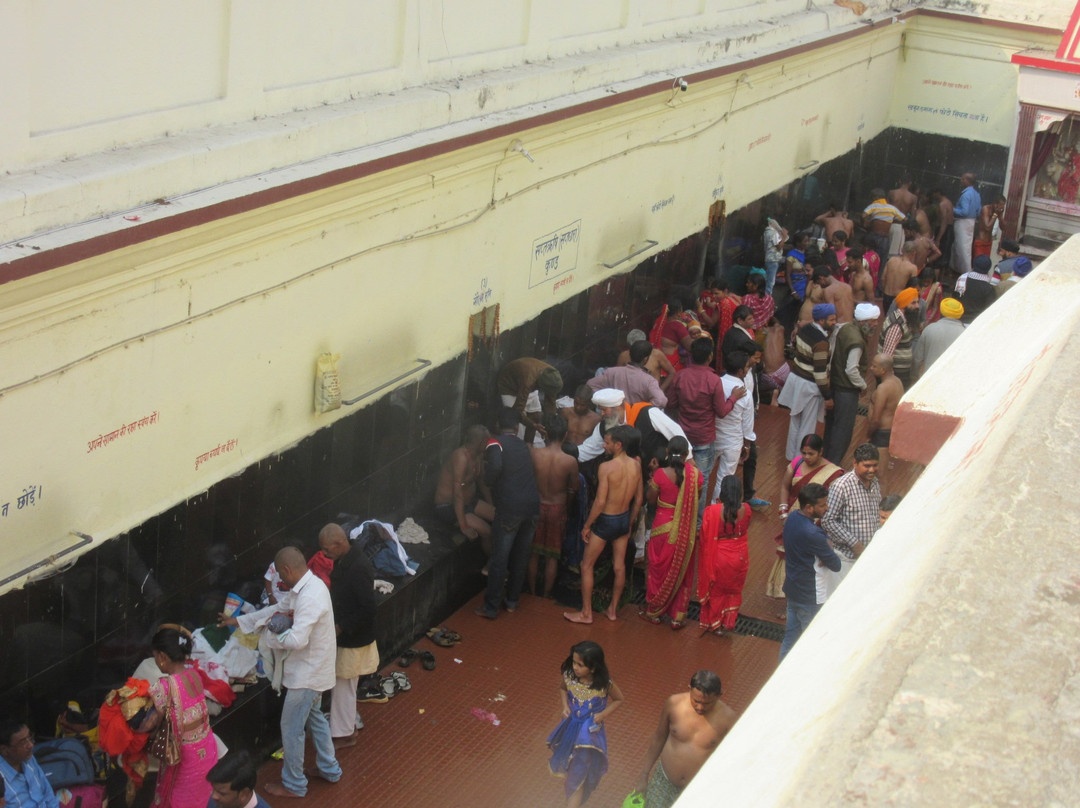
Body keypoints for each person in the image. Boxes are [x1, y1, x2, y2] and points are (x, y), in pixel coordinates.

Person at [222, 547, 341, 798]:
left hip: (308, 676)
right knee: (315, 718)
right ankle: (330, 769)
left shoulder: (310, 596)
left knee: (291, 727)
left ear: (286, 570)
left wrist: (268, 637)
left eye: (280, 577)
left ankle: (295, 784)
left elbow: (296, 639)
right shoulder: (306, 589)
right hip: (313, 671)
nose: (279, 582)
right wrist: (240, 622)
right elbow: (275, 610)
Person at [564, 424, 643, 624]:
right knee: (619, 567)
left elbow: (600, 502)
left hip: (607, 520)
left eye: (607, 443)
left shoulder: (606, 467)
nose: (604, 446)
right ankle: (613, 610)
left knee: (586, 565)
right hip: (624, 519)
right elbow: (639, 499)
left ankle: (586, 613)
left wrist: (587, 525)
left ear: (618, 445)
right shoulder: (636, 465)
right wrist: (630, 521)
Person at [664, 337, 744, 517]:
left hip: (684, 437)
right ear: (710, 357)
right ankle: (697, 524)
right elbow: (722, 411)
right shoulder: (713, 380)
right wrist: (733, 398)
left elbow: (670, 403)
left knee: (679, 478)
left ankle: (677, 517)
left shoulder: (680, 376)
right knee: (701, 481)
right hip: (704, 439)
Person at [634, 671, 736, 808]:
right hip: (664, 781)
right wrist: (644, 774)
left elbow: (733, 757)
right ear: (689, 689)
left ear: (719, 695)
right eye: (696, 701)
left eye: (707, 703)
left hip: (699, 790)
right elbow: (659, 737)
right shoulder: (673, 704)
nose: (700, 707)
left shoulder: (729, 719)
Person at [476, 407, 541, 620]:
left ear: (497, 425)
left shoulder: (495, 443)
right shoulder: (522, 445)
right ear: (516, 427)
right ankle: (512, 602)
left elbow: (495, 467)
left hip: (510, 508)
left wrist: (487, 481)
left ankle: (491, 607)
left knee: (500, 558)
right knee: (521, 555)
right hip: (531, 506)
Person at [145, 625, 219, 808]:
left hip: (185, 761)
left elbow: (149, 724)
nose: (156, 661)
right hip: (207, 752)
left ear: (162, 657)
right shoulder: (194, 675)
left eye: (155, 657)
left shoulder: (164, 686)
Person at [318, 523, 377, 748]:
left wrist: (341, 627)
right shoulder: (346, 560)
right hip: (348, 634)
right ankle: (347, 723)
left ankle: (344, 733)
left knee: (343, 684)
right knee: (345, 684)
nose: (324, 553)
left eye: (327, 549)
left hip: (353, 638)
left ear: (340, 543)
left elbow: (369, 608)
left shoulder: (358, 567)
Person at [547, 641, 624, 807]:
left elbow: (619, 699)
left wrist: (602, 715)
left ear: (594, 668)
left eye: (580, 665)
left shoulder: (605, 684)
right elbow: (562, 688)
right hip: (570, 729)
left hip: (588, 735)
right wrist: (565, 706)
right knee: (571, 770)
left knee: (577, 774)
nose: (575, 667)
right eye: (574, 662)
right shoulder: (569, 676)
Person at [641, 437, 701, 629]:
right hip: (684, 530)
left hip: (661, 527)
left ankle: (654, 612)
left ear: (667, 452)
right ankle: (677, 617)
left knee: (657, 568)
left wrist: (651, 477)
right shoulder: (696, 476)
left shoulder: (659, 474)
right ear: (686, 455)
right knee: (681, 572)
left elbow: (650, 500)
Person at [778, 483, 841, 660]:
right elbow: (835, 564)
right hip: (811, 596)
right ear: (809, 507)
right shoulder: (812, 533)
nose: (827, 507)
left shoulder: (791, 518)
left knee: (790, 640)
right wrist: (828, 544)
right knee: (811, 645)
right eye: (822, 505)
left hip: (793, 591)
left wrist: (825, 541)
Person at [819, 444, 882, 603]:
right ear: (855, 463)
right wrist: (854, 543)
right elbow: (828, 520)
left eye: (875, 465)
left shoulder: (874, 484)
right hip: (845, 558)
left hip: (867, 557)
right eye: (867, 466)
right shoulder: (841, 486)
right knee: (840, 602)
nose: (871, 470)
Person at [529, 415, 581, 598]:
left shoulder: (535, 454)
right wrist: (567, 507)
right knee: (552, 556)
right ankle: (546, 595)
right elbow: (573, 489)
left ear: (547, 433)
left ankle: (533, 592)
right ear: (565, 435)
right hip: (557, 508)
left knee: (534, 553)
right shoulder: (570, 461)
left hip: (537, 505)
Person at [777, 304, 835, 461]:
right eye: (831, 319)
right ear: (822, 320)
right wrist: (827, 396)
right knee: (807, 425)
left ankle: (792, 456)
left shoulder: (804, 329)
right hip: (809, 385)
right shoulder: (822, 342)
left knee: (795, 421)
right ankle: (802, 459)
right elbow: (820, 373)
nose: (834, 322)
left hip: (796, 379)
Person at [822, 302, 879, 465]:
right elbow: (851, 369)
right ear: (863, 321)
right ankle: (832, 465)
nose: (876, 324)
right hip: (846, 391)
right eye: (873, 321)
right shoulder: (857, 341)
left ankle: (826, 460)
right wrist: (863, 385)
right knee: (843, 431)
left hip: (835, 386)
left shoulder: (845, 328)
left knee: (832, 428)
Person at [698, 476, 752, 635]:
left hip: (719, 557)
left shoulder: (712, 511)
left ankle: (716, 624)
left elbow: (704, 535)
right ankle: (728, 621)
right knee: (733, 590)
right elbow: (745, 527)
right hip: (740, 557)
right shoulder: (747, 509)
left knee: (717, 591)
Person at [576, 388, 686, 465]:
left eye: (604, 410)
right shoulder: (604, 426)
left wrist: (687, 458)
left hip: (659, 474)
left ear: (618, 407)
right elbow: (589, 449)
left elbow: (676, 432)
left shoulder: (647, 413)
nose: (602, 414)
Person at [433, 424, 495, 542]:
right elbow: (457, 493)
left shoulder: (479, 455)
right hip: (448, 507)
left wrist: (491, 504)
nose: (489, 444)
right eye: (488, 441)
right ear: (480, 442)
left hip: (469, 502)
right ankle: (492, 560)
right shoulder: (461, 457)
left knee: (501, 520)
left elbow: (482, 483)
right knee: (488, 532)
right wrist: (464, 526)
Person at [710, 351, 756, 502]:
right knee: (724, 479)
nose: (749, 369)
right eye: (747, 367)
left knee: (703, 475)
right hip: (733, 441)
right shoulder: (746, 394)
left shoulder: (716, 383)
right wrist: (747, 445)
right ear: (740, 371)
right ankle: (715, 510)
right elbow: (748, 423)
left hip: (713, 436)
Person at [496, 357, 563, 445]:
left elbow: (550, 404)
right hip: (509, 388)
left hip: (529, 387)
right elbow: (517, 412)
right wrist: (533, 425)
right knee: (517, 426)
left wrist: (551, 427)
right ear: (541, 386)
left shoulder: (553, 377)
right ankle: (518, 446)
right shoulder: (528, 382)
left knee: (536, 416)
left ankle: (529, 446)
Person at [588, 339, 667, 407]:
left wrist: (608, 403)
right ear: (646, 359)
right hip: (635, 420)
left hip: (615, 417)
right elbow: (661, 401)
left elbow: (590, 385)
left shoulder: (612, 372)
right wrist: (641, 409)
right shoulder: (649, 381)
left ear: (630, 354)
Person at [0, 721, 60, 808]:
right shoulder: (1, 778)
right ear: (4, 750)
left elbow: (48, 794)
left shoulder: (28, 758)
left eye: (30, 738)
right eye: (23, 742)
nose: (30, 745)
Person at [913, 298, 965, 378]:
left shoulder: (929, 329)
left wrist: (914, 377)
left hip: (929, 379)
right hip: (954, 379)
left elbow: (917, 359)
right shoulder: (965, 333)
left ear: (941, 311)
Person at [867, 354, 903, 467]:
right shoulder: (898, 382)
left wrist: (868, 435)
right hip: (889, 431)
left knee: (880, 474)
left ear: (883, 370)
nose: (871, 368)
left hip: (880, 434)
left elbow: (876, 419)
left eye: (874, 366)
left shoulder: (883, 388)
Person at [881, 287, 919, 388]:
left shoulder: (902, 319)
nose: (917, 306)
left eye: (917, 302)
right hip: (895, 375)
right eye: (913, 303)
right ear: (904, 305)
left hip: (900, 374)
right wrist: (890, 378)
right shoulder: (896, 325)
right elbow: (887, 354)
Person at [206, 751, 273, 808]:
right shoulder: (216, 802)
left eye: (222, 793)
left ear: (244, 793)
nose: (214, 796)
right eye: (213, 789)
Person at [861, 189, 906, 269]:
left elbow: (863, 215)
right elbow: (904, 219)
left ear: (876, 198)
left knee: (868, 259)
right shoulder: (892, 208)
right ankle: (879, 280)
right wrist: (890, 220)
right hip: (884, 238)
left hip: (873, 236)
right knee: (882, 262)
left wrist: (866, 223)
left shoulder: (873, 206)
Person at [649, 297, 694, 373]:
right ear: (679, 312)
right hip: (671, 367)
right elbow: (691, 347)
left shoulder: (658, 322)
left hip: (654, 363)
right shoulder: (677, 326)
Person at [952, 173, 981, 276]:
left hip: (963, 222)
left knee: (962, 249)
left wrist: (952, 209)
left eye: (963, 179)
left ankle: (965, 273)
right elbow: (978, 211)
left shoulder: (966, 194)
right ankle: (962, 272)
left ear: (967, 181)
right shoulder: (976, 194)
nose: (961, 180)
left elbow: (964, 212)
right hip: (971, 222)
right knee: (965, 247)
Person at [880, 242, 919, 314]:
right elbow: (913, 288)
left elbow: (883, 278)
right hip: (899, 297)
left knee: (887, 318)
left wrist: (884, 291)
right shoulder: (912, 268)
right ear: (913, 253)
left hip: (886, 295)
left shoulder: (891, 260)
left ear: (901, 249)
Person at [956, 254, 996, 324]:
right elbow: (989, 309)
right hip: (974, 323)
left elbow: (955, 297)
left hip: (958, 318)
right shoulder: (988, 288)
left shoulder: (962, 279)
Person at [974, 194, 1005, 259]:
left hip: (988, 243)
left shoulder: (997, 212)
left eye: (1003, 206)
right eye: (1000, 205)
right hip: (980, 242)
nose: (1001, 207)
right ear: (995, 204)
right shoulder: (986, 209)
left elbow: (1003, 228)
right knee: (978, 264)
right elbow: (987, 227)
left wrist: (1001, 217)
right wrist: (995, 215)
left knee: (985, 265)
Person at [763, 216, 788, 295]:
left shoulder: (766, 232)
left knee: (768, 280)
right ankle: (767, 299)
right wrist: (784, 236)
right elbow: (779, 246)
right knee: (771, 282)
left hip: (768, 258)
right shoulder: (774, 233)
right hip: (773, 259)